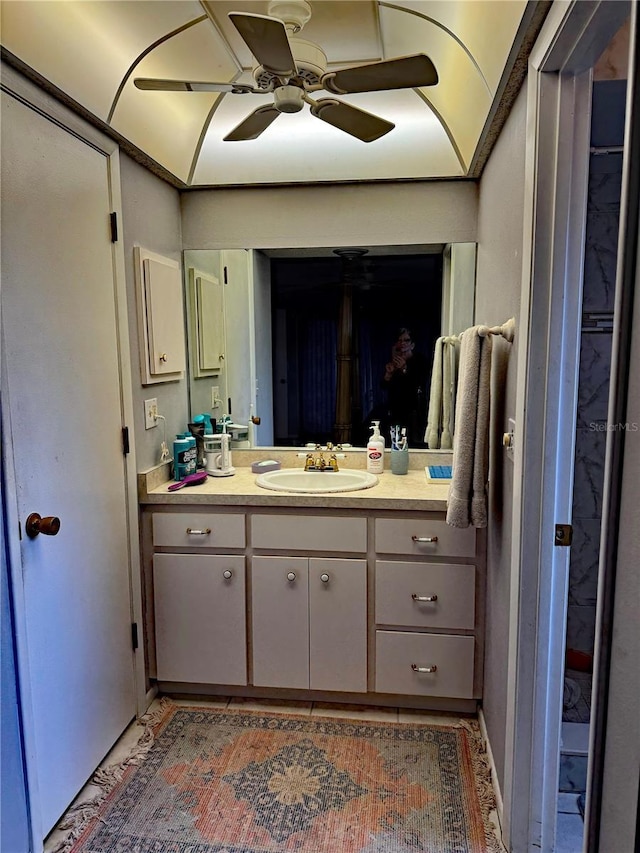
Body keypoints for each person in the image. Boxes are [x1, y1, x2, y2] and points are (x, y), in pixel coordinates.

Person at [381, 327, 429, 447]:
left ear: (412, 345)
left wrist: (404, 369)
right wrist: (389, 374)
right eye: (400, 340)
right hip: (395, 410)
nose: (402, 343)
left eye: (406, 340)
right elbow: (383, 386)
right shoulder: (395, 360)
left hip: (413, 412)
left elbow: (419, 384)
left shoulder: (419, 360)